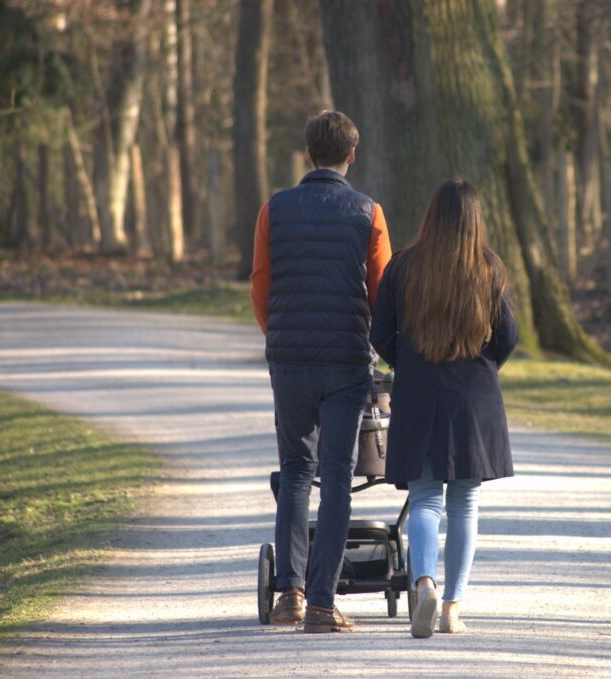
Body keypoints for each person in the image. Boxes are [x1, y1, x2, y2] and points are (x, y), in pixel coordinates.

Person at [250, 111, 392, 633]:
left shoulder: (274, 210)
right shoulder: (369, 213)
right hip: (346, 361)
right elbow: (381, 291)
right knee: (336, 478)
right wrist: (376, 346)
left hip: (289, 360)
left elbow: (260, 284)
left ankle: (289, 593)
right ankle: (321, 603)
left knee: (294, 471)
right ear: (352, 155)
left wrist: (279, 335)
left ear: (308, 153)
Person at [369, 177, 518, 639]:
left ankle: (424, 585)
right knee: (465, 503)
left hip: (419, 394)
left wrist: (407, 362)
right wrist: (484, 364)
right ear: (475, 222)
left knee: (426, 500)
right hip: (473, 398)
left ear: (431, 217)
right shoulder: (489, 269)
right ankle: (453, 606)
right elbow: (508, 336)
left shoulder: (403, 266)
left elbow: (380, 333)